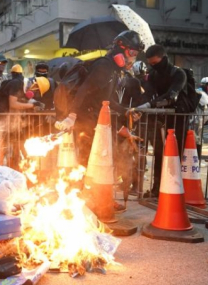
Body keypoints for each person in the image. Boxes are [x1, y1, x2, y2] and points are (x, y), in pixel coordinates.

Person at [55, 30, 145, 167]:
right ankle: (86, 186)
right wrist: (71, 116)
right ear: (120, 49)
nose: (133, 58)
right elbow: (83, 90)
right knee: (89, 159)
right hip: (86, 119)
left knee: (96, 159)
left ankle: (90, 186)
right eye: (131, 53)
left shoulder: (114, 71)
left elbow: (106, 99)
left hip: (94, 120)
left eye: (135, 55)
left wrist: (125, 111)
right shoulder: (104, 66)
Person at [137, 44, 190, 198]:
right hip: (161, 119)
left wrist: (150, 105)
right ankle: (156, 189)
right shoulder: (154, 75)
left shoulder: (179, 74)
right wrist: (141, 105)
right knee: (160, 155)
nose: (153, 66)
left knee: (175, 155)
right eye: (151, 64)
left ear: (164, 58)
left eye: (155, 63)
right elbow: (149, 92)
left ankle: (174, 190)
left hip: (178, 119)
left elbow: (172, 95)